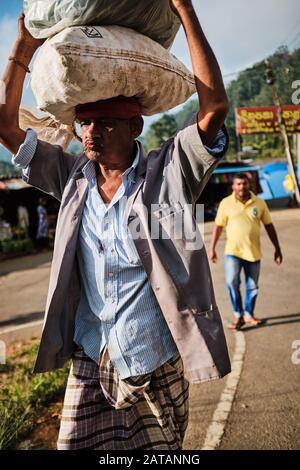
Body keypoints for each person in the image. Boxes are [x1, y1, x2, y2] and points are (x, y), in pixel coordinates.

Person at [0, 1, 231, 450]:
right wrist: (24, 48)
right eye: (83, 122)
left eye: (103, 122)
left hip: (154, 359)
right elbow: (6, 126)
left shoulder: (168, 173)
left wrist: (183, 11)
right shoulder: (70, 178)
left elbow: (215, 106)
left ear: (134, 124)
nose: (89, 132)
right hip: (92, 354)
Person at [209, 172, 283, 330]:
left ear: (249, 184)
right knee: (231, 282)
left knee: (252, 286)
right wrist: (212, 248)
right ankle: (238, 315)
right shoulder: (226, 203)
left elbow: (269, 226)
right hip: (232, 252)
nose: (242, 186)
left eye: (244, 183)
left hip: (253, 252)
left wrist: (277, 248)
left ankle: (249, 314)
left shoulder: (260, 203)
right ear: (233, 186)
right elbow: (218, 226)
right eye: (238, 184)